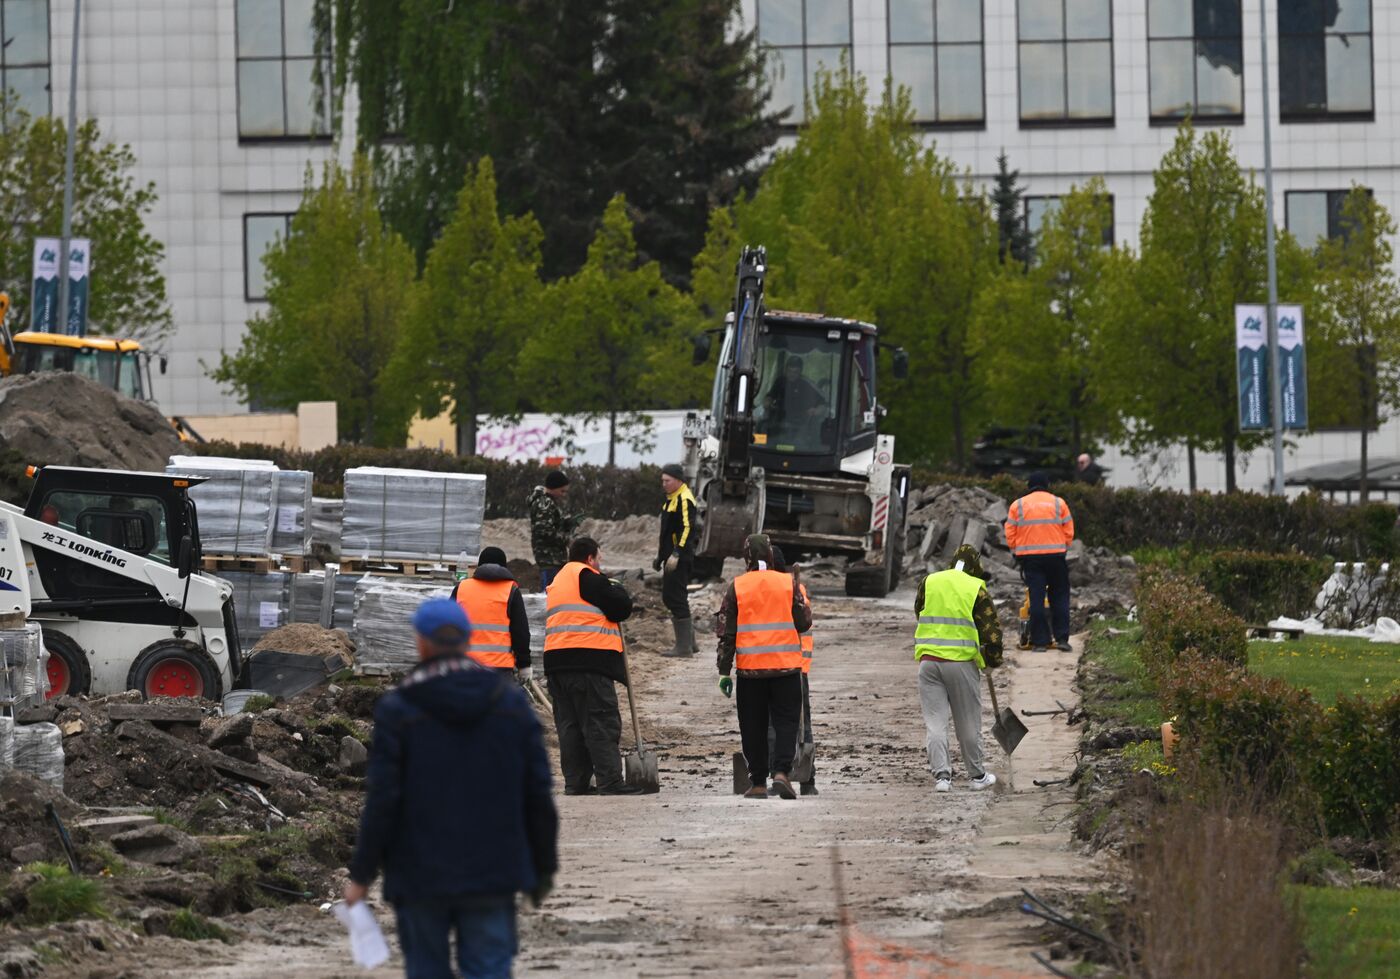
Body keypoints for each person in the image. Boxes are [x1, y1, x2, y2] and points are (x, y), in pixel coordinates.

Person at [344, 598, 558, 979]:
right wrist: (542, 868)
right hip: (493, 869)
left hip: (419, 872)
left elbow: (383, 799)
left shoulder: (399, 709)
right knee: (489, 970)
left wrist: (361, 874)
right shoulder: (509, 704)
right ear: (467, 640)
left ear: (421, 643)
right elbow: (537, 793)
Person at [543, 536, 643, 796]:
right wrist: (616, 587)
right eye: (598, 559)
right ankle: (610, 781)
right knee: (600, 721)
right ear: (590, 558)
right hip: (588, 662)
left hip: (556, 663)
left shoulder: (557, 581)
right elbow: (621, 607)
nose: (599, 564)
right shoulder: (587, 577)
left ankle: (575, 783)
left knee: (570, 726)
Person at [716, 534, 812, 800]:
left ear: (746, 557)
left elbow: (727, 633)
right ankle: (782, 772)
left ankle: (757, 782)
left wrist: (724, 671)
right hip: (786, 669)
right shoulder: (787, 583)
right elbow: (803, 624)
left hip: (750, 672)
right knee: (786, 723)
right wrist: (802, 605)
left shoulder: (737, 586)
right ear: (770, 555)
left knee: (752, 726)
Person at [915, 544, 1004, 793]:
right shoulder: (976, 587)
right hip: (960, 665)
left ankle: (942, 777)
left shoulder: (929, 581)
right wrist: (992, 661)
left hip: (928, 663)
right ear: (976, 566)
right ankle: (977, 776)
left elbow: (919, 612)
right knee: (968, 722)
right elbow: (991, 631)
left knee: (935, 723)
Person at [766, 546, 818, 796]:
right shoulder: (795, 589)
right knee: (800, 723)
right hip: (795, 667)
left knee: (777, 723)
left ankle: (788, 774)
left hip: (781, 667)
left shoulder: (778, 589)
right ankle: (805, 780)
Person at [1005, 472, 1074, 652]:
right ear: (1047, 484)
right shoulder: (1059, 503)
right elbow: (1069, 531)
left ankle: (1040, 642)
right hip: (1056, 557)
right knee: (1059, 597)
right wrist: (1063, 545)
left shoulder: (1017, 505)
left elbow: (1010, 533)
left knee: (1036, 598)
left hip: (1031, 560)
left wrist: (1018, 549)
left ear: (1029, 486)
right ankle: (1062, 639)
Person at [452, 547, 531, 681]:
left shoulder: (462, 588)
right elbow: (520, 632)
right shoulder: (511, 590)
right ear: (504, 567)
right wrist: (524, 664)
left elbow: (446, 626)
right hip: (499, 670)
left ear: (479, 565)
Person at [654, 463, 699, 658]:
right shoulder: (671, 498)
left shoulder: (684, 498)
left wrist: (677, 553)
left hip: (680, 557)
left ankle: (684, 647)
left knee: (674, 598)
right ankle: (690, 643)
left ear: (679, 480)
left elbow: (687, 528)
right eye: (662, 480)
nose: (664, 484)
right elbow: (666, 533)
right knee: (674, 596)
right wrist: (660, 557)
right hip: (671, 557)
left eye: (667, 480)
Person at [528, 471, 578, 590]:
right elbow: (544, 531)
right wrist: (567, 540)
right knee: (550, 594)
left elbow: (549, 525)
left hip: (552, 558)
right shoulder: (544, 503)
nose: (564, 494)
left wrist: (565, 523)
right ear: (553, 488)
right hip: (549, 559)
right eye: (562, 491)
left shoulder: (547, 502)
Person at [763, 356, 826, 440]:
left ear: (800, 371)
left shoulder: (806, 384)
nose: (792, 374)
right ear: (786, 370)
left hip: (801, 426)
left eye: (795, 372)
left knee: (800, 445)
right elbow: (770, 396)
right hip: (778, 423)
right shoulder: (780, 381)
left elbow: (823, 404)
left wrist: (815, 411)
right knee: (760, 436)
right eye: (789, 371)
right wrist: (767, 402)